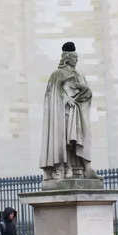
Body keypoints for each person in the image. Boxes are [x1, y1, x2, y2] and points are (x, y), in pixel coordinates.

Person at [40, 42, 101, 180]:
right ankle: (63, 167)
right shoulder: (57, 75)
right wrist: (65, 100)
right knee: (64, 140)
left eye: (77, 58)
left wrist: (83, 93)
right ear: (67, 58)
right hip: (63, 114)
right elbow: (52, 96)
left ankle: (85, 168)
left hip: (77, 112)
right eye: (74, 58)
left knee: (80, 138)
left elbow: (87, 92)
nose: (76, 60)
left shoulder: (79, 75)